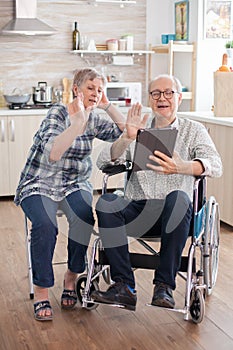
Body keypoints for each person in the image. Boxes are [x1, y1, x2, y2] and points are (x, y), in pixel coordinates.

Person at [91, 74, 223, 311]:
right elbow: (103, 162)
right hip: (139, 209)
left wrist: (182, 167)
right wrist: (127, 138)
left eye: (169, 92)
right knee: (107, 202)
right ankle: (123, 286)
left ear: (179, 98)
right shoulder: (139, 129)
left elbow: (215, 164)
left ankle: (164, 285)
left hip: (177, 212)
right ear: (150, 99)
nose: (162, 98)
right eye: (156, 93)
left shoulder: (194, 130)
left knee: (178, 198)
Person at [14, 68, 126, 321]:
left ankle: (71, 277)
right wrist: (77, 124)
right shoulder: (58, 113)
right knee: (45, 224)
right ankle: (42, 291)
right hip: (39, 182)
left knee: (84, 217)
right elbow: (54, 153)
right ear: (76, 89)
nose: (95, 94)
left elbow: (126, 132)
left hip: (74, 183)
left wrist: (107, 106)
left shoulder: (96, 117)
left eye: (100, 90)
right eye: (91, 88)